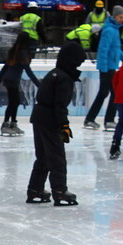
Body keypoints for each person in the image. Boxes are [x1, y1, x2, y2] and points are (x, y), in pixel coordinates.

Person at [26, 41, 87, 206]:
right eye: (78, 62)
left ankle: (35, 189)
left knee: (43, 157)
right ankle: (59, 191)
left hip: (39, 117)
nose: (79, 66)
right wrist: (64, 127)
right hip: (49, 120)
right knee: (56, 156)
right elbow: (60, 106)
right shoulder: (64, 78)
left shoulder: (55, 73)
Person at [84, 5, 123, 131]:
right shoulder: (109, 30)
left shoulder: (114, 30)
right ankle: (107, 120)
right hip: (107, 67)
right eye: (120, 17)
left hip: (111, 66)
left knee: (105, 93)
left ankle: (93, 119)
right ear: (115, 16)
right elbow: (103, 49)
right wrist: (103, 67)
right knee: (111, 93)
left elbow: (115, 49)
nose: (122, 20)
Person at [0, 32, 40, 137]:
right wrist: (38, 84)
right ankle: (6, 124)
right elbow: (28, 70)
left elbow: (5, 67)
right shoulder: (23, 52)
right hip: (13, 80)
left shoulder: (14, 50)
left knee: (14, 102)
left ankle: (12, 124)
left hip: (9, 79)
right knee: (13, 102)